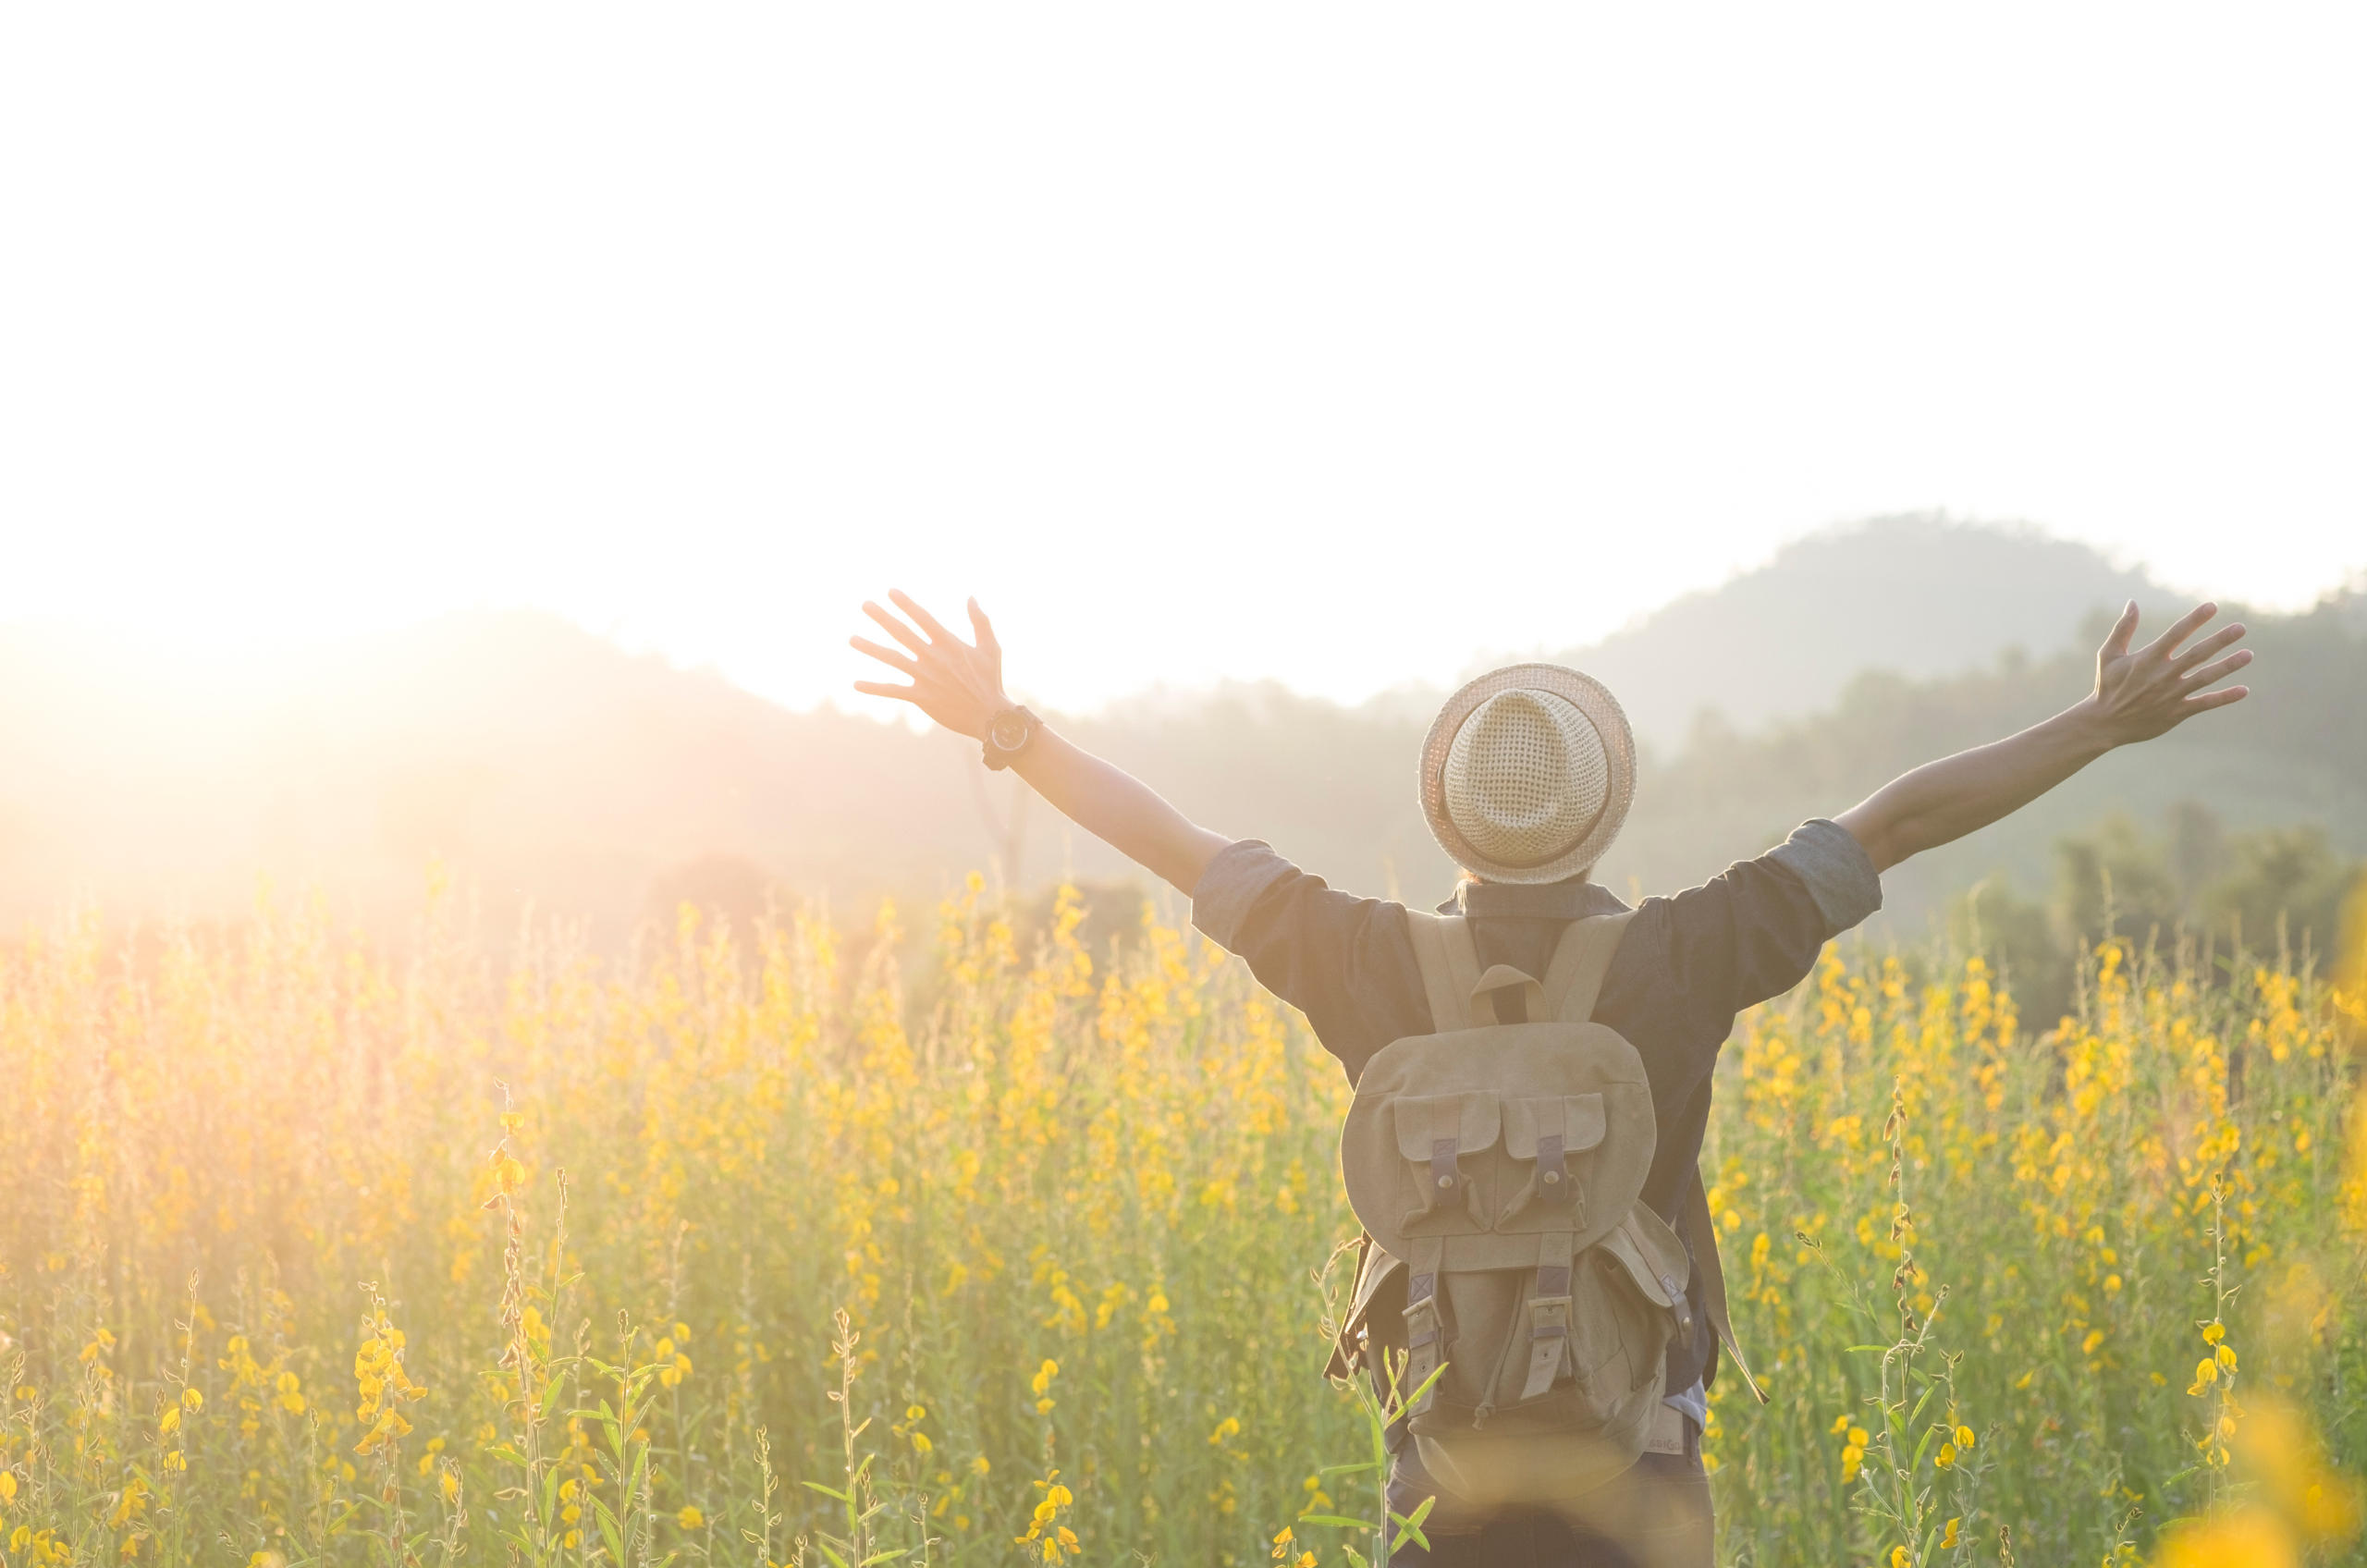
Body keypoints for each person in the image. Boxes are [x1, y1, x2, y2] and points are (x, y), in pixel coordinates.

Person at [850, 590, 2253, 1568]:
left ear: (1447, 812)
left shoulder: (1362, 961)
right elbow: (1902, 818)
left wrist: (1008, 729)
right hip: (1638, 1474)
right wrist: (2096, 728)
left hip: (1439, 1476)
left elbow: (1170, 838)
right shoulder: (1691, 951)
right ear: (1604, 809)